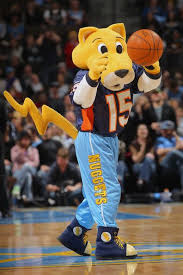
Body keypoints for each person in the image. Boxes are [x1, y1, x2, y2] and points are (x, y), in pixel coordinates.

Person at [11, 130, 40, 203]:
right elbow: (13, 159)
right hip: (17, 172)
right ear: (20, 140)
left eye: (27, 139)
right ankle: (28, 198)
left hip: (32, 170)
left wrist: (26, 163)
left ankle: (16, 187)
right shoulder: (15, 149)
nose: (26, 141)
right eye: (24, 139)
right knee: (27, 176)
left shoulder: (34, 149)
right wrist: (20, 152)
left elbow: (36, 163)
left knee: (26, 167)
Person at [155, 120, 183, 194]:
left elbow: (182, 146)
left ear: (172, 130)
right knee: (173, 152)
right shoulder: (160, 139)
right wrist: (175, 148)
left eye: (166, 130)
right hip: (165, 164)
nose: (164, 131)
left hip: (176, 165)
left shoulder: (177, 138)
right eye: (163, 130)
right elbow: (159, 152)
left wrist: (176, 136)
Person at [129, 124, 156, 192]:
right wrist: (143, 146)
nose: (143, 131)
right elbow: (136, 160)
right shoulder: (133, 144)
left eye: (145, 129)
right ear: (137, 132)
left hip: (150, 165)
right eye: (141, 129)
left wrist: (148, 157)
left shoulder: (150, 142)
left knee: (148, 160)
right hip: (138, 165)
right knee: (138, 166)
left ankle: (141, 180)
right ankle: (144, 182)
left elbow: (151, 157)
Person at [0, 96, 11, 217]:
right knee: (1, 176)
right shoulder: (1, 102)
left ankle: (5, 209)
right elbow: (4, 123)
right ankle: (5, 209)